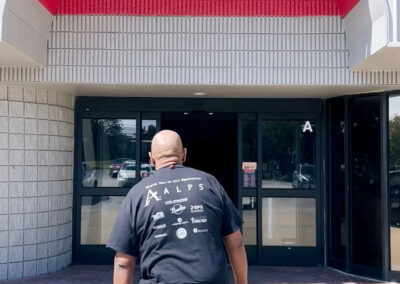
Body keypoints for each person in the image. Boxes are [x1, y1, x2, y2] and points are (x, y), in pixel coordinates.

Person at [107, 130, 248, 284]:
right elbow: (236, 242)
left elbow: (123, 262)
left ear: (152, 159)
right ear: (184, 154)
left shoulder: (137, 194)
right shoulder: (209, 183)